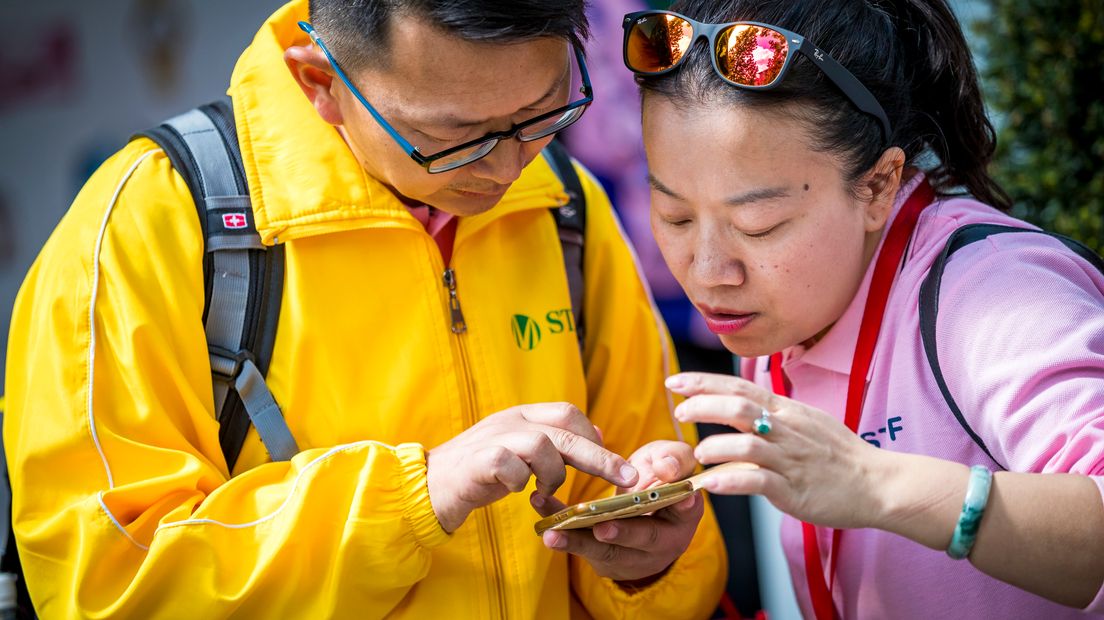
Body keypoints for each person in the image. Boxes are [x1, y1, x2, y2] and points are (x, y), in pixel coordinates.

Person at [3, 1, 728, 617]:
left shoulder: (564, 203)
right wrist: (412, 500)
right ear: (320, 82)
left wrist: (650, 566)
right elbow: (101, 583)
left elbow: (659, 556)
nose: (506, 168)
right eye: (453, 137)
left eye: (541, 113)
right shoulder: (153, 222)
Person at [622, 0, 1104, 618]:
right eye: (675, 216)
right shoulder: (786, 309)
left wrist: (876, 484)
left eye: (760, 225)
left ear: (878, 185)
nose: (709, 270)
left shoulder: (990, 294)